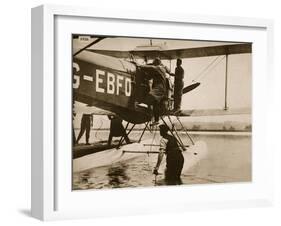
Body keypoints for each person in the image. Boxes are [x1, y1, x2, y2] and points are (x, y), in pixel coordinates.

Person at [138, 58, 167, 125]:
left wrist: (140, 65)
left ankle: (145, 106)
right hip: (159, 88)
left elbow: (152, 68)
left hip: (160, 88)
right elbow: (150, 76)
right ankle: (156, 120)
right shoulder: (159, 69)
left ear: (156, 63)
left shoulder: (159, 68)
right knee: (155, 104)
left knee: (151, 95)